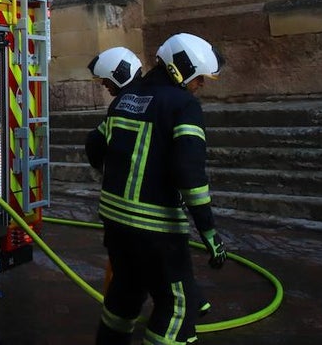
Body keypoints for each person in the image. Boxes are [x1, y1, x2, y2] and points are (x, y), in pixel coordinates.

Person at [85, 33, 228, 345]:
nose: (201, 85)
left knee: (124, 294)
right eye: (200, 78)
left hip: (115, 224)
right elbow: (189, 175)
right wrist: (209, 233)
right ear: (182, 69)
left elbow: (94, 145)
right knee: (179, 307)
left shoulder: (125, 99)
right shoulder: (184, 106)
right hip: (156, 228)